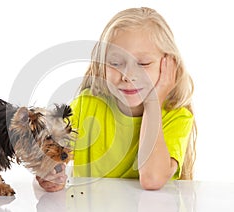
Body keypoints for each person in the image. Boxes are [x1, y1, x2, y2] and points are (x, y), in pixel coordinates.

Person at [36, 7, 196, 192]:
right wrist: (48, 174)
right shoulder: (86, 105)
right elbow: (47, 156)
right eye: (115, 63)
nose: (127, 75)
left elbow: (152, 179)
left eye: (143, 63)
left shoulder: (177, 117)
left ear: (169, 65)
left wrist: (153, 103)